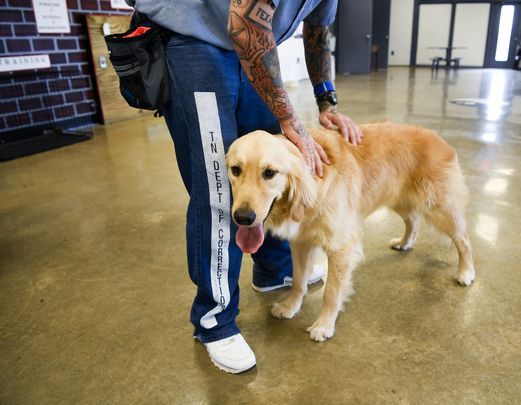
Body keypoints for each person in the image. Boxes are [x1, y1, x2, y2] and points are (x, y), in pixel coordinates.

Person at [127, 0, 361, 373]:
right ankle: (214, 320)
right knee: (219, 189)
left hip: (259, 50)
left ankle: (273, 269)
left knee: (266, 164)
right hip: (195, 41)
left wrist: (326, 100)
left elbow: (317, 29)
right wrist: (291, 118)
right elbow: (244, 22)